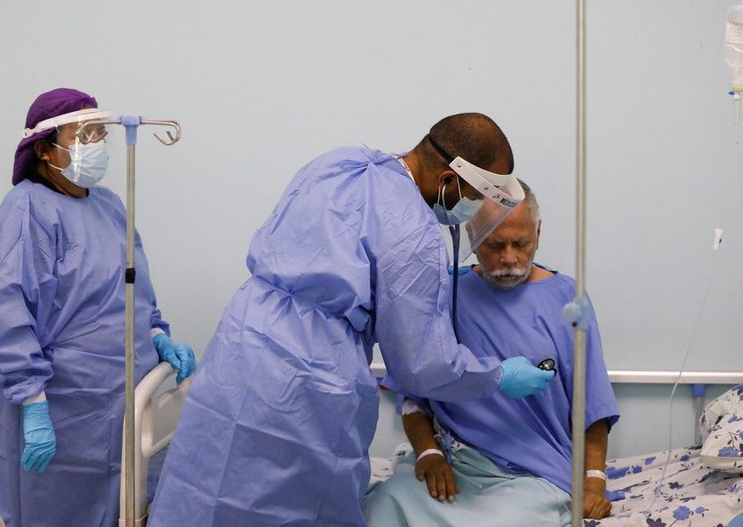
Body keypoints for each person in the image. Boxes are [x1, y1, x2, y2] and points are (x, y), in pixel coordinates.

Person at [148, 113, 555, 527]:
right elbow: (422, 366)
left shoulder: (342, 164)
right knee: (289, 505)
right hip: (310, 377)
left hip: (244, 337)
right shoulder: (414, 235)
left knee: (208, 484)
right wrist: (496, 376)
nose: (474, 210)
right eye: (477, 195)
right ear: (450, 180)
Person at [0, 88, 197, 527]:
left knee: (118, 508)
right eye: (84, 134)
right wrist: (32, 401)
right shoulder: (25, 212)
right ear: (45, 149)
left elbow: (131, 290)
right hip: (57, 406)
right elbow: (3, 311)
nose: (97, 144)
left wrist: (156, 336)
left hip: (117, 405)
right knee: (48, 511)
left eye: (99, 134)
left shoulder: (110, 207)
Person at [363, 180, 620, 527]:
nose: (509, 258)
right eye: (494, 245)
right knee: (381, 507)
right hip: (455, 463)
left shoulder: (567, 299)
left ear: (538, 233)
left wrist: (593, 483)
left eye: (521, 243)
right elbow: (413, 395)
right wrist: (429, 453)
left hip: (531, 473)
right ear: (472, 234)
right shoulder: (447, 294)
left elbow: (594, 407)